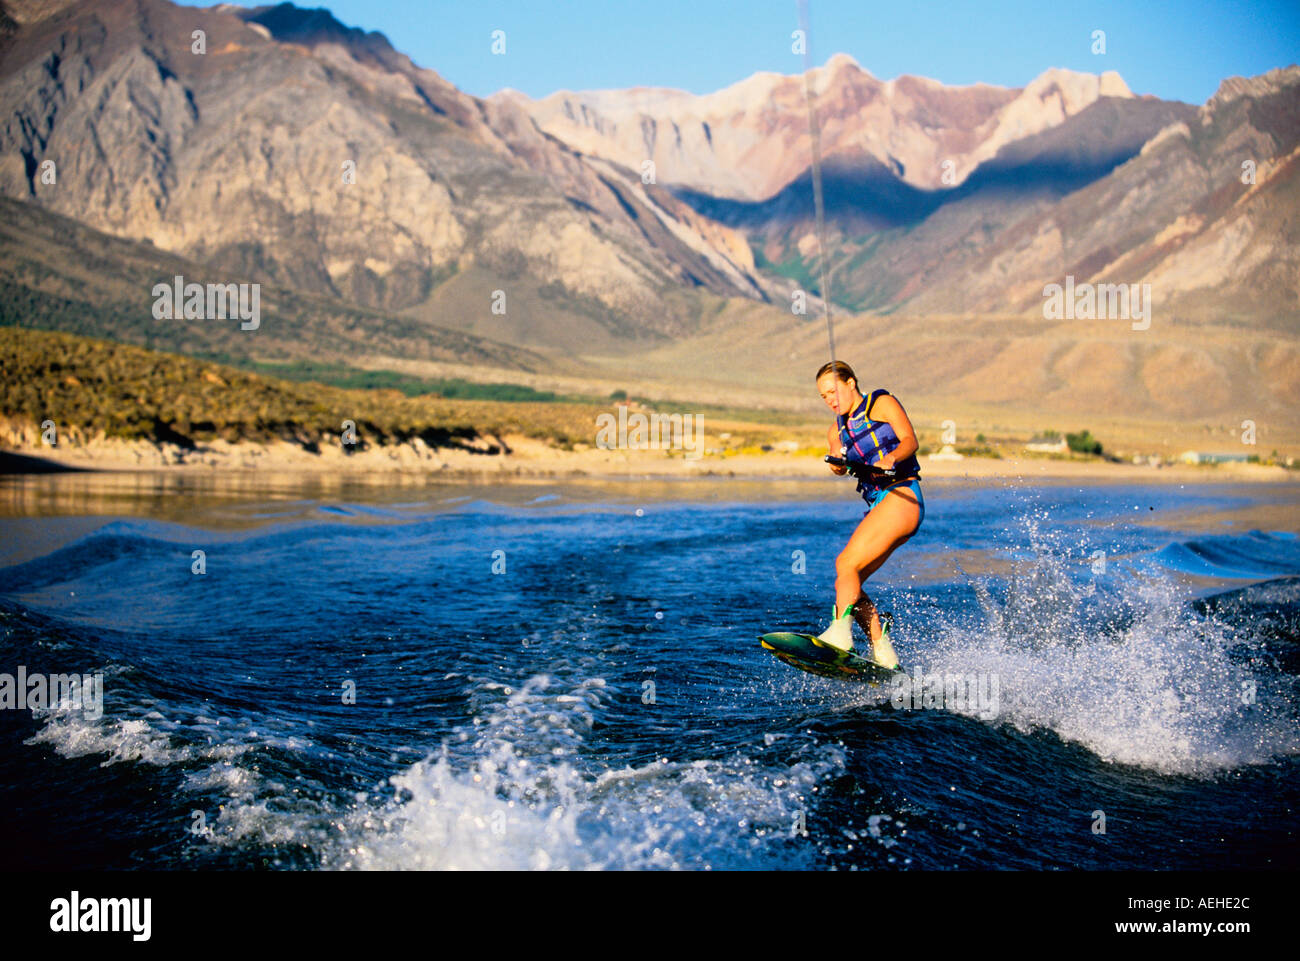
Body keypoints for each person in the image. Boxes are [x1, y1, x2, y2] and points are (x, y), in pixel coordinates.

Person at [813, 360, 925, 667]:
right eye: (824, 396)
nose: (830, 400)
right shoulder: (835, 430)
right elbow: (838, 466)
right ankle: (883, 650)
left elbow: (910, 441)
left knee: (844, 562)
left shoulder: (881, 403)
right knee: (849, 580)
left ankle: (840, 635)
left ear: (851, 383)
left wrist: (891, 457)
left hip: (902, 496)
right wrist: (836, 462)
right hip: (881, 505)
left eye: (833, 391)